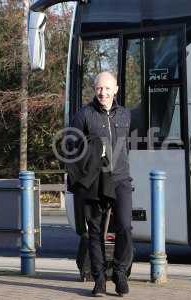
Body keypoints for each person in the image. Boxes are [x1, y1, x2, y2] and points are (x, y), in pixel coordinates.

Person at [69, 71, 133, 297]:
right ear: (94, 89)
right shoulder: (84, 115)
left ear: (116, 89)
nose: (103, 93)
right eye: (99, 88)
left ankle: (120, 272)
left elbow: (126, 148)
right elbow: (71, 149)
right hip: (95, 183)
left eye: (107, 88)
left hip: (121, 179)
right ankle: (99, 280)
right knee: (95, 232)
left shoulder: (125, 115)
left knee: (125, 226)